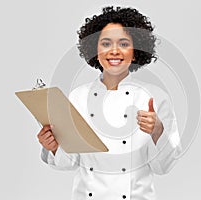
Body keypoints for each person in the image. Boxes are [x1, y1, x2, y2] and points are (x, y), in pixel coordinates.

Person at [37, 6, 181, 200]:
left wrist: (157, 130)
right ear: (95, 51)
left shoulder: (155, 97)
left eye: (123, 44)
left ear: (136, 51)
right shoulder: (77, 97)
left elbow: (163, 167)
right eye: (105, 43)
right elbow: (69, 162)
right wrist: (52, 146)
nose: (114, 51)